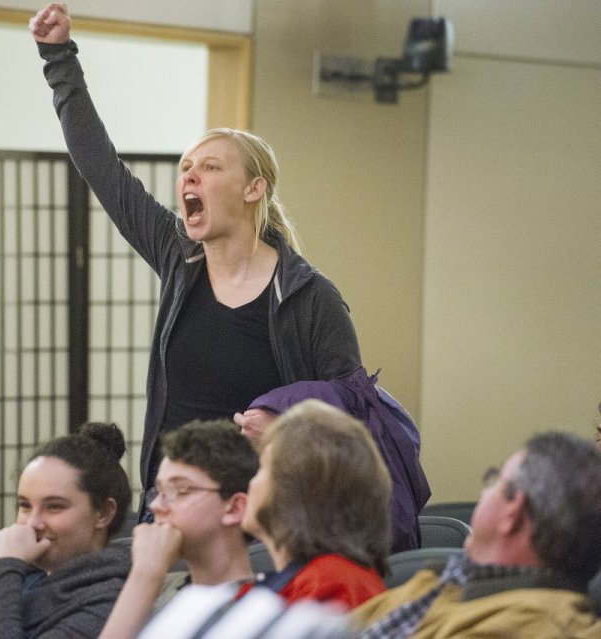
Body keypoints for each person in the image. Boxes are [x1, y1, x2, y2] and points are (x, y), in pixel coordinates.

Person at [29, 4, 362, 517]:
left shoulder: (308, 297)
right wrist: (58, 58)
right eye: (186, 167)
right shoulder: (177, 255)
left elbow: (350, 405)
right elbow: (101, 166)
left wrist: (284, 418)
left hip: (260, 515)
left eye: (209, 167)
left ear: (255, 189)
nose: (189, 176)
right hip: (168, 503)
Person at [348, 431, 601, 639]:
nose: (483, 493)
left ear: (513, 512)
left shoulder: (527, 628)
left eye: (495, 480)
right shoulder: (447, 581)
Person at [0, 422, 132, 639]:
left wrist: (3, 566)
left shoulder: (111, 601)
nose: (33, 522)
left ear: (103, 513)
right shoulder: (13, 578)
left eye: (54, 506)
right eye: (25, 505)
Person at [98, 419, 259, 639]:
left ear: (234, 508)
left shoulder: (259, 611)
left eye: (181, 490)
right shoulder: (156, 586)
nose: (155, 506)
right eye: (159, 491)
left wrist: (145, 576)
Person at [238, 399, 391, 609]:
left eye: (262, 468)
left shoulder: (331, 586)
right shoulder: (317, 579)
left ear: (295, 490)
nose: (251, 483)